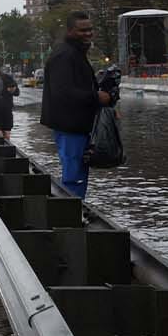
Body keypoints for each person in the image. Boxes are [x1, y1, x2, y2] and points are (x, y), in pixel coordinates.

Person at [41, 11, 109, 197]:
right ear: (70, 31)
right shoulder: (65, 55)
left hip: (76, 124)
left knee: (77, 170)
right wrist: (97, 98)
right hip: (69, 125)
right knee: (73, 172)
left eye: (90, 29)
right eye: (82, 30)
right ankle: (71, 213)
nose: (88, 33)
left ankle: (75, 208)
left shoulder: (74, 53)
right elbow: (62, 92)